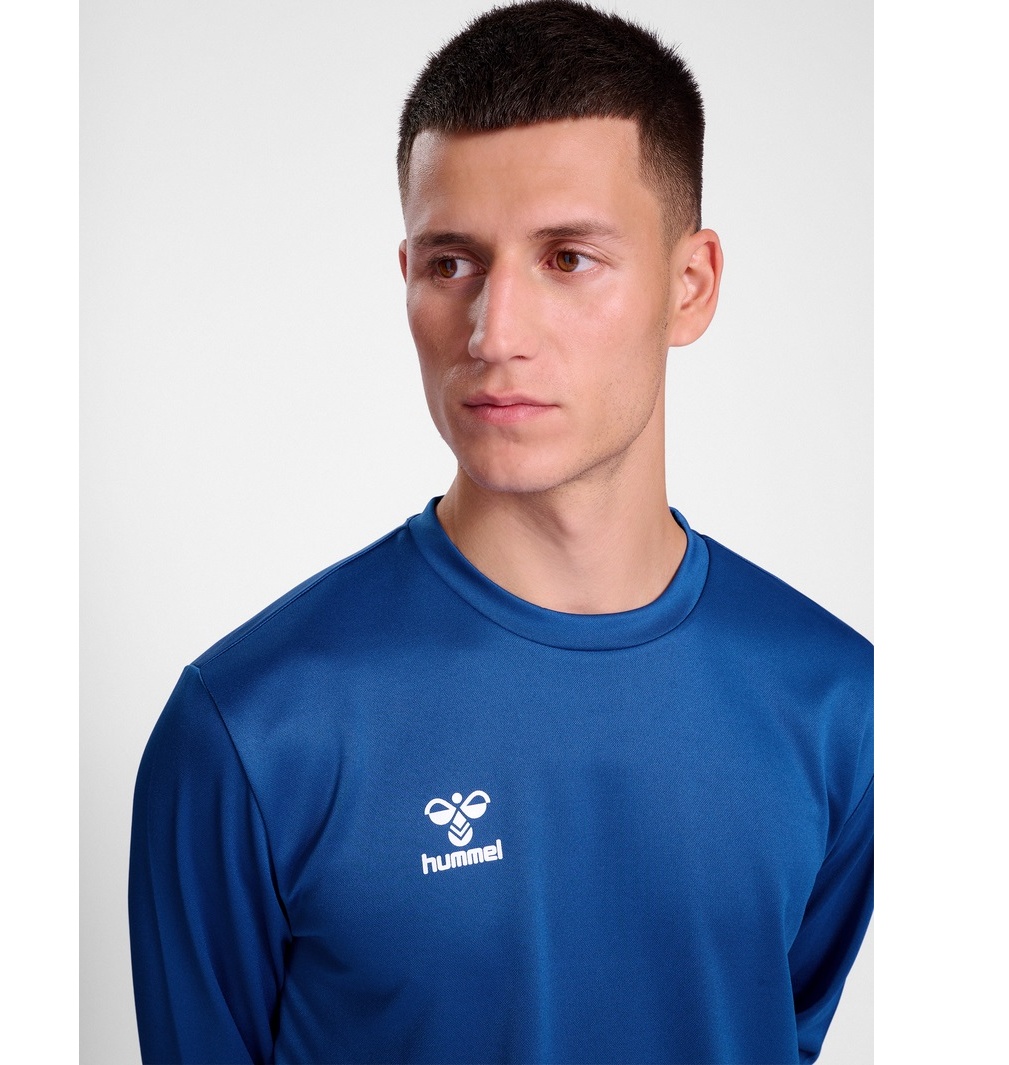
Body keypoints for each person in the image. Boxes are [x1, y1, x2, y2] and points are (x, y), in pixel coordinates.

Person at [128, 1, 873, 1062]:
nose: (493, 332)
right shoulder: (253, 729)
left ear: (691, 286)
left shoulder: (842, 706)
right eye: (452, 263)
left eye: (567, 258)